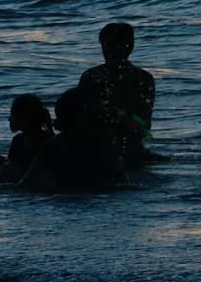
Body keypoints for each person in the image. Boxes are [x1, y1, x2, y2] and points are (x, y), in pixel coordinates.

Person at [79, 21, 157, 168]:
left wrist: (120, 117)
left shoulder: (142, 78)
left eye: (116, 46)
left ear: (130, 47)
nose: (110, 51)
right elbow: (79, 111)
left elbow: (144, 122)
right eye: (106, 46)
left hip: (129, 142)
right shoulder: (91, 76)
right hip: (96, 140)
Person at [22, 87, 119, 191]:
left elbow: (27, 182)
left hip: (63, 193)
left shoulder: (52, 145)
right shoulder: (102, 141)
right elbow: (119, 179)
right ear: (81, 115)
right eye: (93, 111)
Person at [0, 93, 54, 184]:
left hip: (31, 179)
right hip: (17, 178)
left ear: (23, 117)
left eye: (12, 114)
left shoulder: (47, 141)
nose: (9, 119)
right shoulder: (18, 140)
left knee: (8, 166)